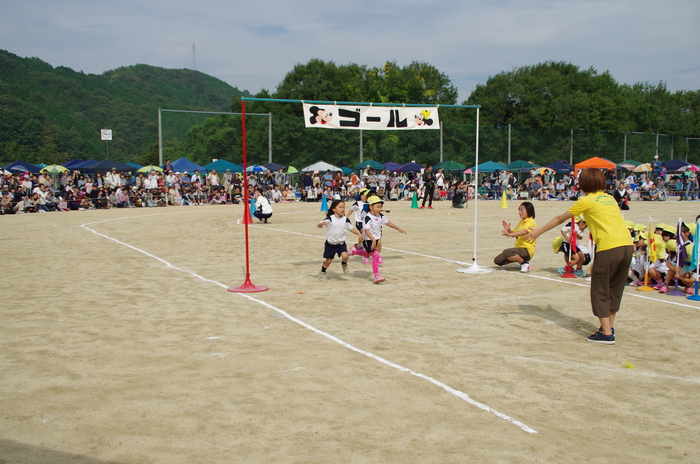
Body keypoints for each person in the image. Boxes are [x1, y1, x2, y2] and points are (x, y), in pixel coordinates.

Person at [524, 168, 634, 345]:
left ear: (584, 184)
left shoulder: (586, 200)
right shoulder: (610, 198)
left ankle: (606, 333)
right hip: (627, 246)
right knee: (615, 288)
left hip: (609, 248)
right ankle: (609, 327)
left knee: (600, 287)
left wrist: (538, 232)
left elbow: (560, 218)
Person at [350, 195, 407, 283]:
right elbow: (367, 231)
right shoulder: (367, 217)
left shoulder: (380, 216)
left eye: (381, 207)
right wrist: (373, 240)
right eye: (378, 207)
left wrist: (399, 229)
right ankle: (376, 276)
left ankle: (353, 251)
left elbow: (388, 223)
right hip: (368, 240)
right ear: (371, 206)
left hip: (374, 239)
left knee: (368, 255)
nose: (380, 209)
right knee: (375, 255)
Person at [317, 200, 362, 281]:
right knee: (328, 261)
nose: (342, 209)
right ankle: (322, 272)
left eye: (344, 207)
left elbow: (351, 228)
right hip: (330, 244)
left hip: (341, 244)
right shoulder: (330, 219)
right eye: (340, 207)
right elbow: (319, 225)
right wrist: (321, 224)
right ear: (334, 209)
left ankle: (344, 264)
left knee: (345, 256)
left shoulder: (345, 219)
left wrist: (359, 234)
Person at [494, 201, 537, 272]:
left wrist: (510, 234)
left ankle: (524, 263)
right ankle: (520, 260)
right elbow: (515, 232)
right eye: (519, 210)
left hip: (526, 250)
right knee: (498, 260)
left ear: (528, 210)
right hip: (518, 249)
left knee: (507, 252)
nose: (519, 212)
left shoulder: (531, 221)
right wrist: (509, 230)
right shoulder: (521, 222)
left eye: (521, 210)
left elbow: (524, 231)